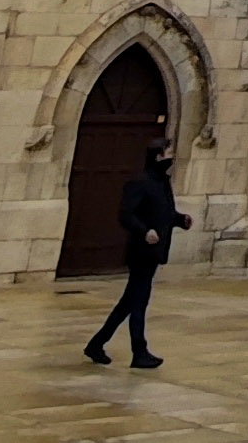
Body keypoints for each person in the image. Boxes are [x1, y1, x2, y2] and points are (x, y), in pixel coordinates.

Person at [81, 147, 191, 369]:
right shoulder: (140, 182)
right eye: (168, 153)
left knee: (129, 303)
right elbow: (126, 214)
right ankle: (139, 352)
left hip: (155, 252)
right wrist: (144, 231)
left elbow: (164, 213)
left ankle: (96, 344)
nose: (172, 158)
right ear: (157, 156)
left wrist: (180, 219)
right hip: (141, 251)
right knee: (138, 302)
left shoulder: (162, 183)